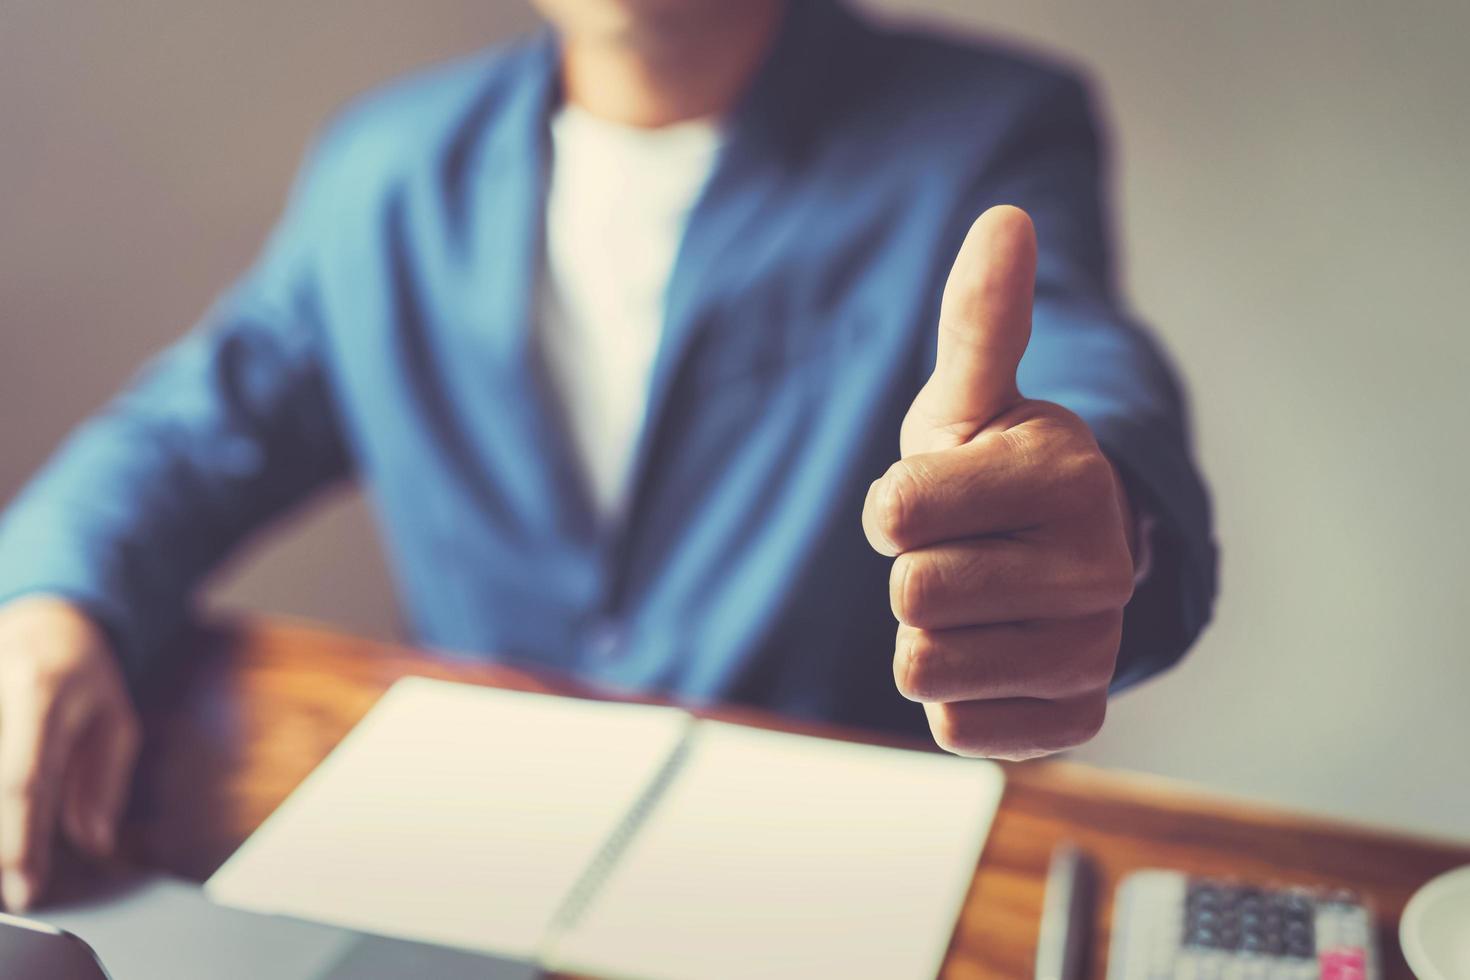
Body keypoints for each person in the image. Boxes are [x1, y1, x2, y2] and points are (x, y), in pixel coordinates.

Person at [0, 0, 1216, 911]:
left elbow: (1077, 361)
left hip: (828, 881)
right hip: (462, 859)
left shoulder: (984, 129)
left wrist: (1095, 508)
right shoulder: (386, 169)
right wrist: (49, 600)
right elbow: (189, 431)